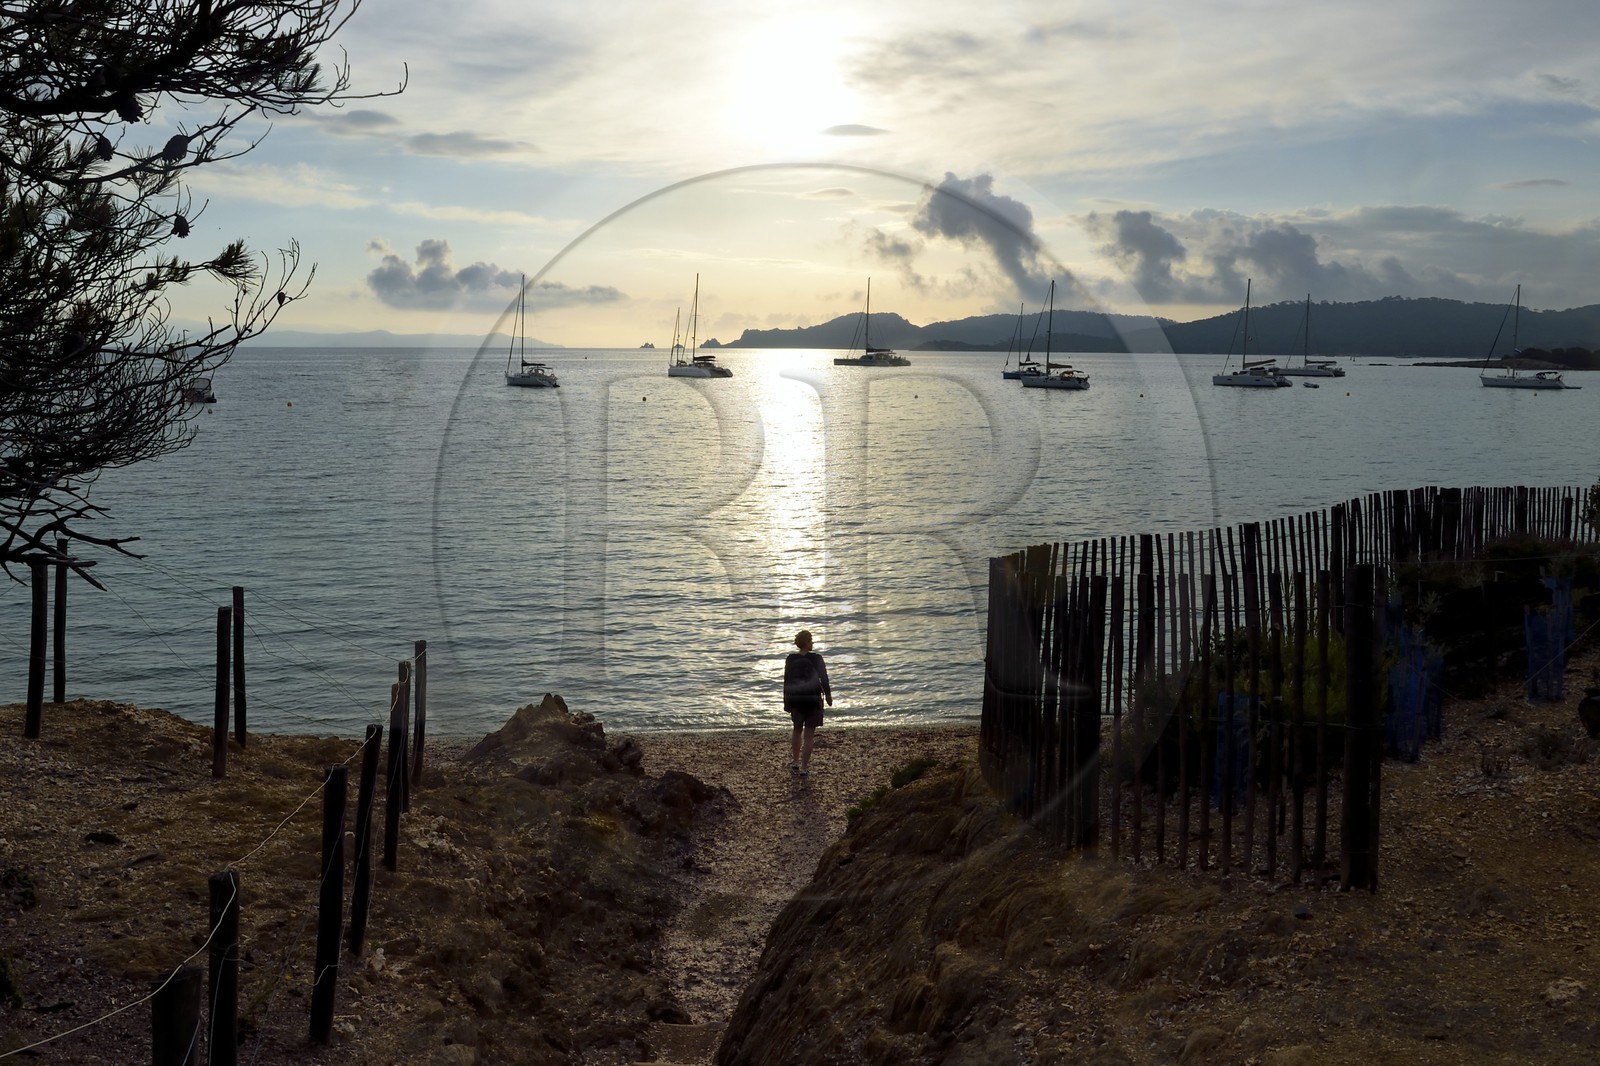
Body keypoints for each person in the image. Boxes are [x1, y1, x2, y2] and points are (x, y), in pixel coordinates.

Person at [783, 629, 832, 776]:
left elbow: (786, 681)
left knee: (797, 730)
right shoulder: (817, 658)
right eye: (811, 641)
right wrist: (828, 695)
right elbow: (824, 678)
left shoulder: (790, 659)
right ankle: (804, 768)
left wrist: (786, 701)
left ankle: (795, 762)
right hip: (812, 700)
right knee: (809, 735)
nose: (813, 643)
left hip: (796, 700)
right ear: (808, 642)